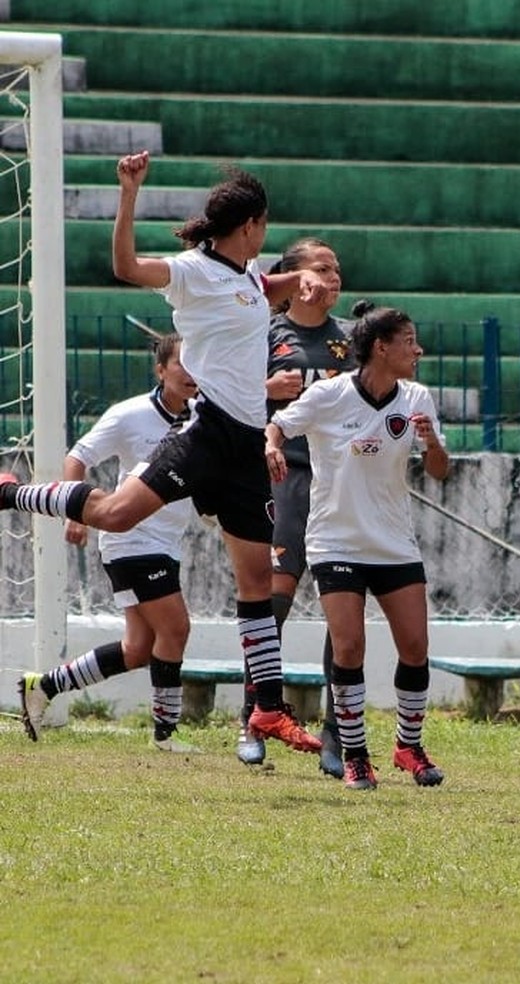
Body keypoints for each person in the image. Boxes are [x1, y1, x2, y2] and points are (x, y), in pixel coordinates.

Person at [0, 151, 325, 755]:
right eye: (265, 224)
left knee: (257, 579)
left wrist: (297, 280)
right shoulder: (192, 272)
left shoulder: (248, 277)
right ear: (251, 225)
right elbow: (126, 266)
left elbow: (260, 290)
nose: (267, 234)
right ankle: (12, 492)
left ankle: (267, 711)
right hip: (206, 435)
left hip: (247, 445)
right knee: (117, 514)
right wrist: (129, 194)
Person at [264, 301, 451, 790]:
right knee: (349, 647)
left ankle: (408, 746)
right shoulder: (329, 395)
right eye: (409, 341)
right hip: (336, 542)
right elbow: (280, 423)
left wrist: (432, 445)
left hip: (393, 543)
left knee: (415, 647)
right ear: (380, 347)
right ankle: (355, 755)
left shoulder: (416, 398)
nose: (418, 349)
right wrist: (270, 445)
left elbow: (438, 471)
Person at [18, 334, 203, 752]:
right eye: (182, 364)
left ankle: (43, 687)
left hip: (166, 541)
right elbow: (78, 456)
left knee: (138, 649)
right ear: (161, 370)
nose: (192, 373)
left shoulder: (201, 418)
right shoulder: (129, 415)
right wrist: (75, 511)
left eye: (198, 363)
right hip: (131, 539)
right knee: (175, 628)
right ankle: (165, 735)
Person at [236, 237, 356, 776]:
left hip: (340, 483)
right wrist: (267, 389)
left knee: (342, 601)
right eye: (323, 268)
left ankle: (338, 733)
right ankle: (254, 717)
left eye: (337, 269)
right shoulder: (264, 333)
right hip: (282, 477)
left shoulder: (353, 342)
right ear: (294, 276)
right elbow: (214, 393)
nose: (334, 277)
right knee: (274, 597)